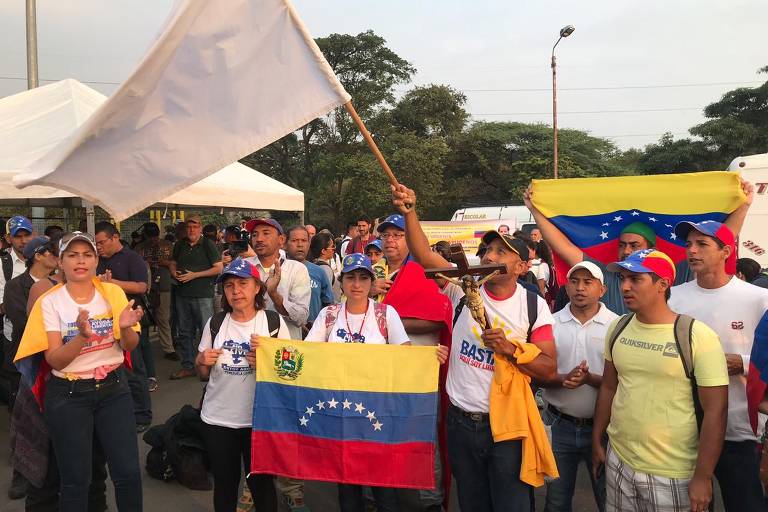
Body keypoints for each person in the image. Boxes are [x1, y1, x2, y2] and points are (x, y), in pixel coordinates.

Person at [392, 184, 559, 512]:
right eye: (488, 250)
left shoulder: (533, 307)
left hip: (506, 426)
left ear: (523, 266)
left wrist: (511, 350)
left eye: (501, 252)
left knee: (511, 504)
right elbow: (425, 255)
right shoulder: (462, 289)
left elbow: (549, 368)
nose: (490, 257)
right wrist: (410, 212)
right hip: (461, 422)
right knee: (471, 502)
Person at [305, 253, 448, 512]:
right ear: (342, 282)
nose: (356, 284)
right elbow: (308, 355)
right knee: (347, 486)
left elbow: (403, 355)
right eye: (350, 278)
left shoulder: (385, 313)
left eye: (363, 278)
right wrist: (269, 352)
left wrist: (429, 356)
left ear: (372, 282)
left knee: (384, 487)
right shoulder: (329, 315)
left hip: (377, 413)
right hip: (342, 412)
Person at [15, 231, 144, 511]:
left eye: (87, 254)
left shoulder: (113, 293)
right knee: (75, 481)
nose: (80, 261)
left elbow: (129, 345)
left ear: (97, 260)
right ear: (60, 262)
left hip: (114, 391)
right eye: (72, 255)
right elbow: (56, 361)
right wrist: (82, 337)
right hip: (68, 396)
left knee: (128, 474)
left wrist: (123, 328)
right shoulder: (49, 302)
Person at [592, 249, 728, 512]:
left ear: (663, 284)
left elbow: (716, 410)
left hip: (672, 472)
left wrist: (703, 476)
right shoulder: (618, 327)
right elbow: (610, 387)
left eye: (635, 279)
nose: (625, 286)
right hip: (619, 462)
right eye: (622, 278)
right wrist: (598, 440)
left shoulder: (696, 335)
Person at [523, 180, 755, 314]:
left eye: (634, 245)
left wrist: (743, 206)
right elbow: (563, 247)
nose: (626, 251)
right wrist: (535, 209)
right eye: (622, 245)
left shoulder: (674, 273)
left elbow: (719, 241)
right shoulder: (607, 275)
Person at [668, 221, 768, 511]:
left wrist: (743, 363)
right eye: (688, 244)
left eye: (702, 244)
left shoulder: (758, 298)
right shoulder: (674, 296)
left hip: (740, 431)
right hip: (686, 428)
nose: (692, 251)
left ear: (726, 251)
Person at [196, 258, 285, 512]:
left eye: (243, 284)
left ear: (257, 287)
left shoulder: (272, 324)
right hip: (217, 420)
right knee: (225, 484)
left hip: (259, 421)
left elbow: (289, 376)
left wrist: (265, 362)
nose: (236, 291)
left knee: (262, 486)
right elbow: (202, 372)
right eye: (229, 286)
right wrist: (202, 360)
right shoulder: (215, 323)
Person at [541, 261, 617, 512]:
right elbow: (536, 374)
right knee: (556, 501)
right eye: (574, 281)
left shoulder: (617, 326)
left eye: (588, 282)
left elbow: (623, 381)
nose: (580, 288)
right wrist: (562, 378)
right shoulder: (550, 323)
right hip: (558, 424)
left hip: (604, 427)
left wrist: (589, 379)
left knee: (609, 500)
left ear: (602, 290)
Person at [3, 236, 58, 501]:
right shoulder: (16, 286)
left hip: (56, 360)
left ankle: (51, 472)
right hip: (27, 360)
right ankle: (21, 474)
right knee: (24, 419)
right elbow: (22, 323)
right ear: (39, 255)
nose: (58, 257)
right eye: (53, 252)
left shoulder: (62, 283)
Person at [94, 222, 153, 431]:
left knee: (135, 368)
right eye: (96, 243)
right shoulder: (97, 261)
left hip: (130, 319)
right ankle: (123, 411)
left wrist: (112, 284)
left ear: (115, 238)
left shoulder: (132, 258)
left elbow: (141, 286)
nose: (99, 247)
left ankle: (143, 414)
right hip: (105, 321)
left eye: (102, 242)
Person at [169, 214, 223, 379]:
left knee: (206, 330)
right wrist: (173, 272)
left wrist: (195, 275)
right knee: (185, 331)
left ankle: (209, 366)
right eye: (189, 227)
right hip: (182, 294)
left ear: (200, 227)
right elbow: (172, 262)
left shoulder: (207, 244)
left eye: (195, 226)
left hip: (202, 295)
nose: (192, 230)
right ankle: (188, 366)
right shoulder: (180, 244)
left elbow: (218, 268)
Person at [135, 222, 176, 363]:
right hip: (146, 285)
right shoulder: (142, 246)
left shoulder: (166, 245)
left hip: (159, 284)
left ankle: (168, 348)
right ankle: (165, 348)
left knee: (161, 318)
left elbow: (173, 263)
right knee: (152, 318)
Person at [284, 226, 334, 333]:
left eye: (304, 240)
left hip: (313, 333)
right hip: (285, 332)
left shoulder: (319, 272)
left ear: (309, 244)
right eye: (294, 240)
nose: (300, 244)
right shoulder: (278, 271)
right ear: (285, 244)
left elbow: (328, 304)